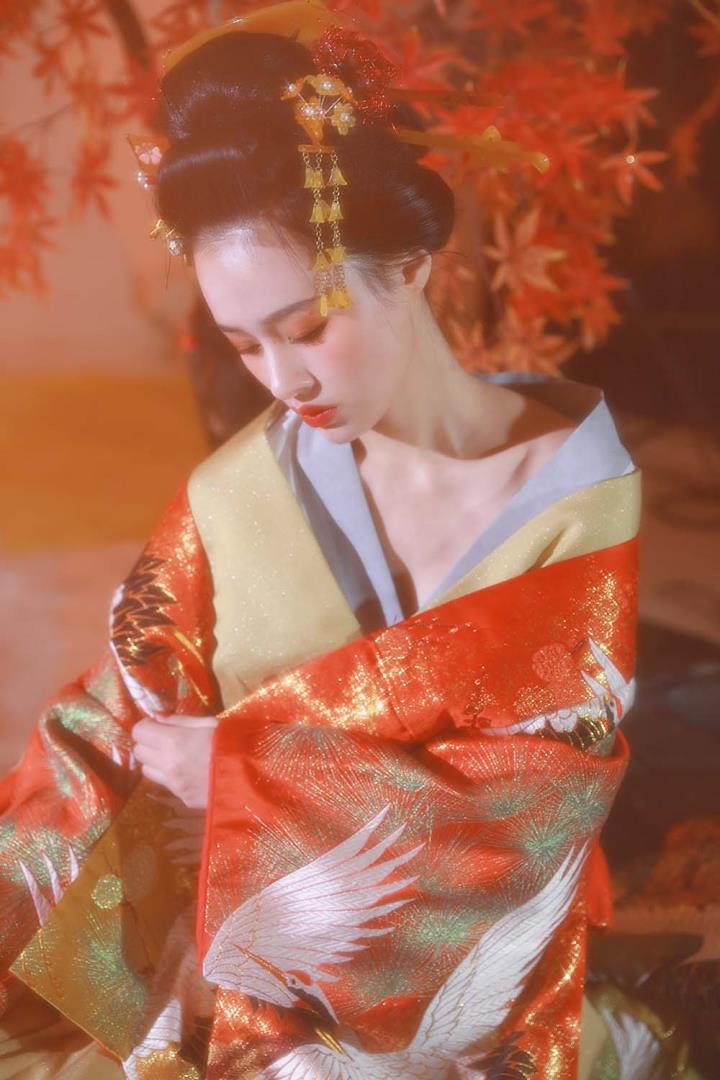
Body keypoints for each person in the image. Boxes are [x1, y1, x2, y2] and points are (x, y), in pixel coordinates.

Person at [1, 4, 681, 1078]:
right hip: (247, 982)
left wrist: (243, 778)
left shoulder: (572, 506)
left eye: (308, 327)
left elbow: (527, 823)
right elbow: (107, 720)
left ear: (408, 264)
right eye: (244, 345)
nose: (285, 380)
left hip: (474, 996)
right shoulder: (239, 493)